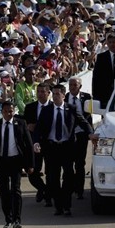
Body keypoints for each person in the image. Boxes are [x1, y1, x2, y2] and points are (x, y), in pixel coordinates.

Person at [0, 100, 34, 228]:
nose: (8, 114)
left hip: (16, 161)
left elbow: (28, 145)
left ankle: (17, 219)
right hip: (1, 161)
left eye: (10, 111)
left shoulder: (20, 124)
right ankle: (8, 219)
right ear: (2, 112)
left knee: (15, 190)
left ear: (14, 111)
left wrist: (30, 165)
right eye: (5, 111)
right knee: (4, 191)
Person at [36, 84, 77, 216]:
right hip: (52, 148)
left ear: (64, 95)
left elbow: (82, 122)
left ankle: (67, 205)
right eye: (53, 94)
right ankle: (58, 206)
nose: (54, 96)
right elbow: (39, 128)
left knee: (69, 176)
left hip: (66, 147)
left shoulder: (71, 109)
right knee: (53, 178)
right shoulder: (47, 110)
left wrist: (91, 133)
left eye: (57, 94)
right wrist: (36, 142)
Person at [23, 83, 53, 206]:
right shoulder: (30, 107)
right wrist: (29, 127)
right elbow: (26, 125)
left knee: (51, 172)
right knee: (32, 172)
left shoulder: (53, 107)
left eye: (43, 92)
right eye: (38, 91)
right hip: (34, 143)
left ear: (48, 93)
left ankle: (49, 198)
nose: (40, 94)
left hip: (50, 143)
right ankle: (43, 189)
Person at [65, 77, 94, 200]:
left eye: (74, 85)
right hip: (68, 134)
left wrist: (84, 127)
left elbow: (89, 114)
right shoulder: (65, 97)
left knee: (80, 163)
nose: (72, 87)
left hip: (82, 133)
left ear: (80, 86)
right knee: (68, 162)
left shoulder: (87, 97)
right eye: (70, 85)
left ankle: (80, 190)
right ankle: (70, 187)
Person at [92, 34, 115, 107]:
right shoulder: (101, 57)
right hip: (105, 96)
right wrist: (95, 96)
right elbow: (96, 78)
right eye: (109, 42)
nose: (112, 44)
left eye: (114, 42)